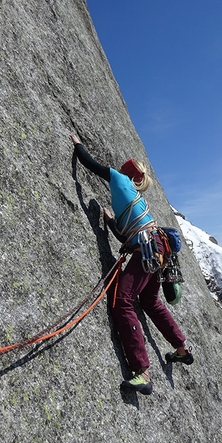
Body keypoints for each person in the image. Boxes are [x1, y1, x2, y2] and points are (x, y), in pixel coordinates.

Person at [71, 134, 193, 395]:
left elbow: (89, 163)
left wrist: (77, 142)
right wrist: (112, 221)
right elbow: (127, 236)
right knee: (150, 302)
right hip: (157, 249)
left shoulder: (120, 179)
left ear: (128, 171)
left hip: (147, 249)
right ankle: (182, 348)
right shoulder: (135, 198)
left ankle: (142, 372)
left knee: (122, 301)